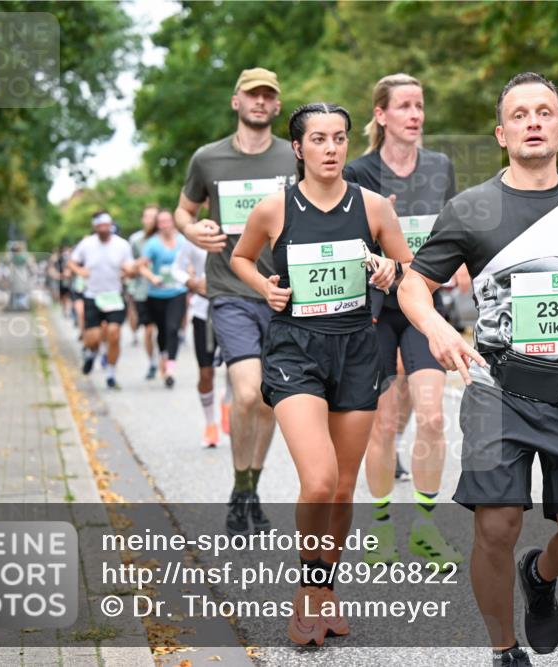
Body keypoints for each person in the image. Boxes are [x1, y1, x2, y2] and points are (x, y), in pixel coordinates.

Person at [400, 72, 558, 667]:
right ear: (502, 133)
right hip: (497, 390)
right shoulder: (471, 207)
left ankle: (542, 573)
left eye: (544, 112)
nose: (533, 121)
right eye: (520, 114)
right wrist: (438, 330)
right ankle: (505, 649)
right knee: (497, 525)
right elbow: (413, 284)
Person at [231, 102, 408, 646]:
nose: (331, 149)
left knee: (344, 487)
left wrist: (387, 269)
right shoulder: (273, 208)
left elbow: (411, 270)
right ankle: (308, 590)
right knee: (320, 479)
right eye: (320, 139)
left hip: (357, 349)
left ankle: (326, 587)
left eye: (339, 138)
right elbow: (242, 257)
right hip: (294, 352)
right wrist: (266, 287)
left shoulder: (374, 207)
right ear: (298, 149)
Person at [343, 73, 464, 570]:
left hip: (424, 305)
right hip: (375, 309)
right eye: (405, 106)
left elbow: (455, 230)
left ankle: (426, 528)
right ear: (381, 114)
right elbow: (348, 242)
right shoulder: (359, 171)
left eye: (420, 105)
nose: (415, 115)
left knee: (433, 416)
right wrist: (379, 241)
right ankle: (379, 528)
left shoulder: (440, 167)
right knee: (383, 423)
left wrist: (459, 263)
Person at [175, 67, 297, 536]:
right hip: (230, 291)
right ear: (236, 102)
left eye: (269, 95)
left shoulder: (294, 156)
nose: (260, 102)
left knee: (268, 401)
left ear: (277, 106)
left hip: (282, 294)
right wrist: (192, 229)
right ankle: (240, 487)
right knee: (246, 390)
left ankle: (248, 489)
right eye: (253, 95)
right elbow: (184, 210)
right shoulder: (209, 159)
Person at [172, 237, 232, 448]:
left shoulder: (238, 228)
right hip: (203, 312)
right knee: (206, 373)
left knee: (237, 369)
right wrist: (191, 282)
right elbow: (176, 268)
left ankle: (227, 404)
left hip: (235, 309)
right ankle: (210, 423)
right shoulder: (198, 236)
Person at [68, 212, 135, 389]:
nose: (104, 229)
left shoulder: (122, 245)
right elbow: (72, 262)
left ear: (111, 225)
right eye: (100, 226)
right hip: (93, 296)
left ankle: (111, 374)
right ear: (95, 227)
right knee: (93, 338)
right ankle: (91, 353)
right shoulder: (87, 244)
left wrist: (130, 271)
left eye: (107, 225)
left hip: (114, 296)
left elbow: (129, 266)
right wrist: (80, 271)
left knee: (114, 334)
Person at [138, 209, 188, 388]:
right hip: (156, 294)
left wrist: (189, 276)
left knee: (173, 328)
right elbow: (142, 267)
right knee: (161, 331)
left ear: (173, 222)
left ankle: (170, 369)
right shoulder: (152, 244)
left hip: (177, 292)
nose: (165, 225)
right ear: (157, 225)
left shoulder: (182, 241)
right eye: (161, 222)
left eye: (168, 221)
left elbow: (189, 263)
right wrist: (153, 278)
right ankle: (163, 356)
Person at [129, 205, 159, 377]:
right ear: (142, 219)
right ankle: (152, 362)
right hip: (142, 290)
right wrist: (137, 268)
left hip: (166, 290)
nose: (151, 220)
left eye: (154, 217)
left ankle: (165, 361)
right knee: (148, 329)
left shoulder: (166, 238)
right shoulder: (135, 240)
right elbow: (130, 266)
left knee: (164, 330)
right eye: (148, 217)